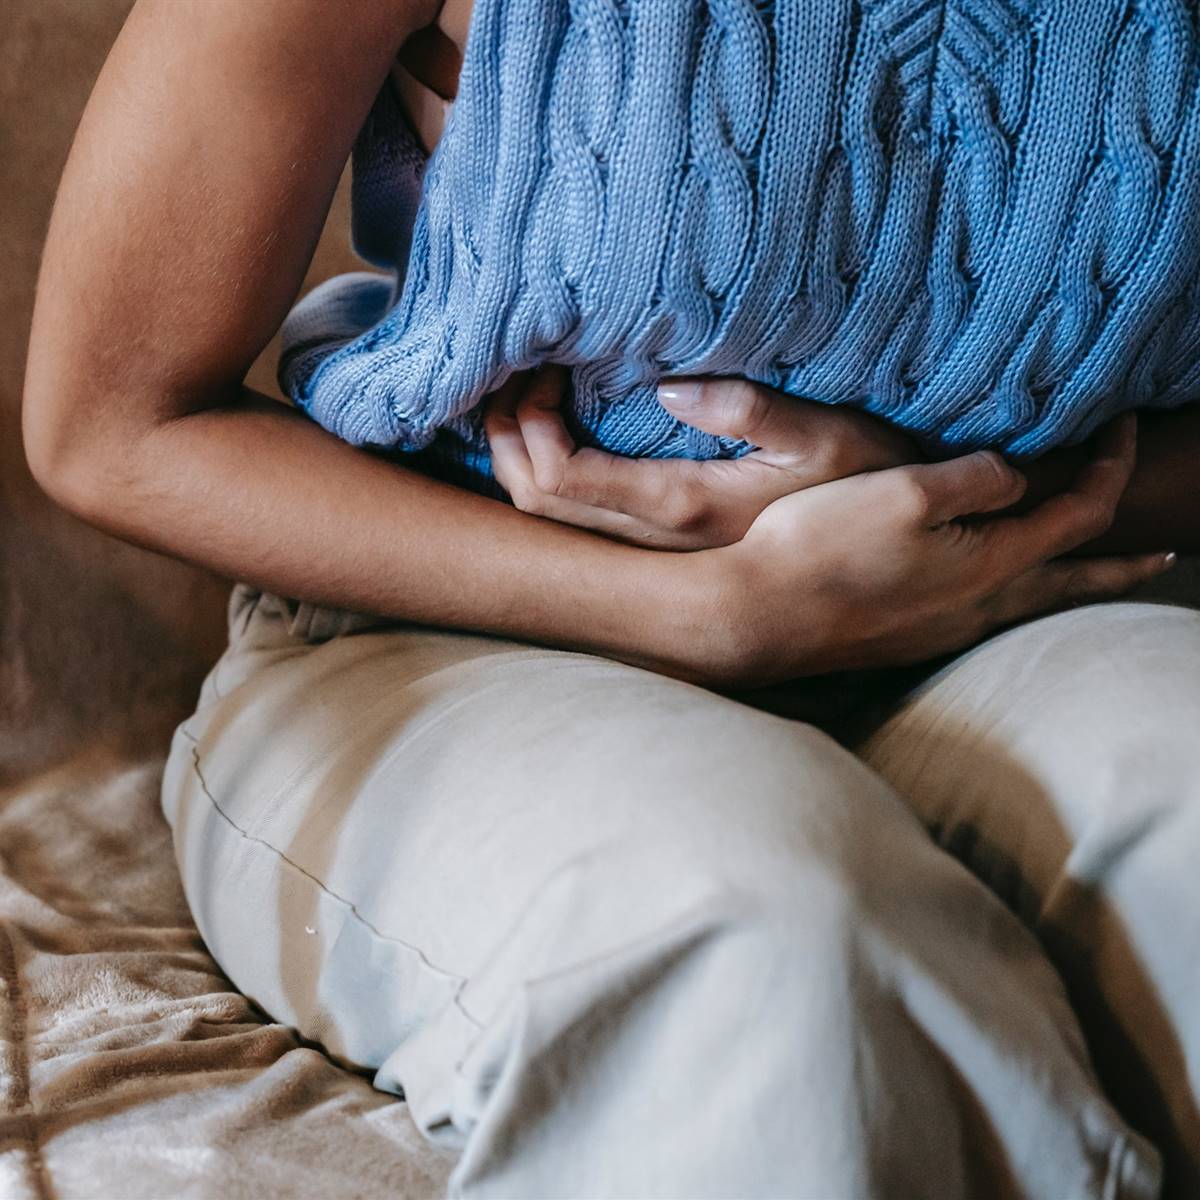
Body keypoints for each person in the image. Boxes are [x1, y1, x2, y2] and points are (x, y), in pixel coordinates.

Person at [21, 0, 1200, 1195]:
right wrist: (708, 615)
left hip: (1005, 612)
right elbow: (113, 423)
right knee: (770, 945)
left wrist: (936, 497)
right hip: (457, 638)